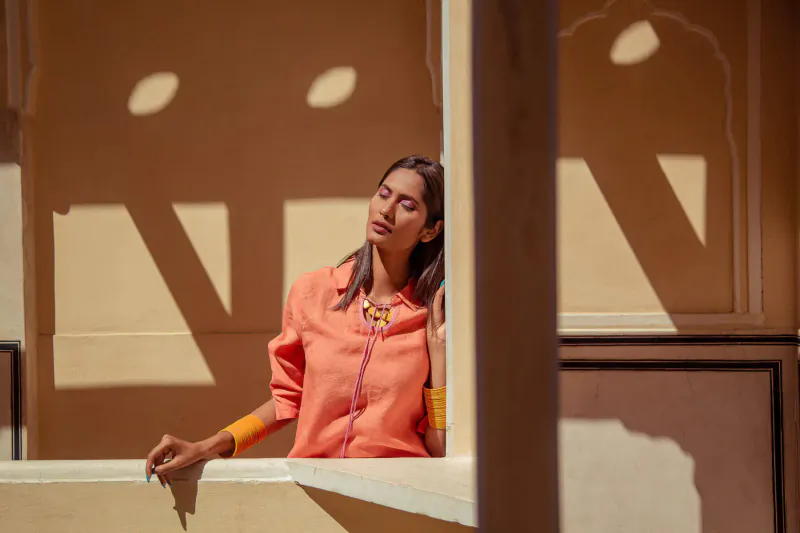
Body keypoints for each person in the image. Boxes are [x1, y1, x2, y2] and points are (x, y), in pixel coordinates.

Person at [144, 155, 447, 486]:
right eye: (384, 194)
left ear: (431, 231)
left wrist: (440, 354)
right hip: (319, 493)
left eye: (407, 205)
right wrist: (206, 446)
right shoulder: (314, 292)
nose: (386, 210)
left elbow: (439, 444)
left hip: (399, 495)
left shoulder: (433, 314)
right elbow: (287, 398)